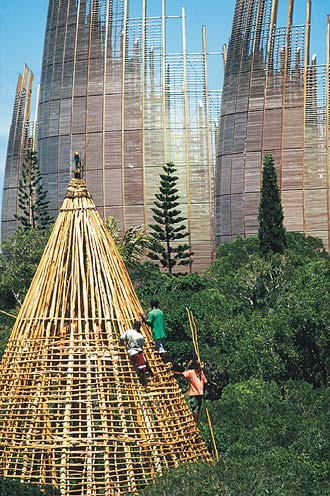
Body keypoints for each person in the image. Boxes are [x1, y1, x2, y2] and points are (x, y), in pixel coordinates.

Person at [120, 320, 153, 386]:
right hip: (137, 353)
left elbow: (121, 338)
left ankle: (151, 374)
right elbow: (141, 345)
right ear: (139, 327)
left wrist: (123, 346)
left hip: (131, 353)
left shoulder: (128, 332)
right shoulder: (140, 336)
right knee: (142, 369)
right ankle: (144, 384)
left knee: (139, 366)